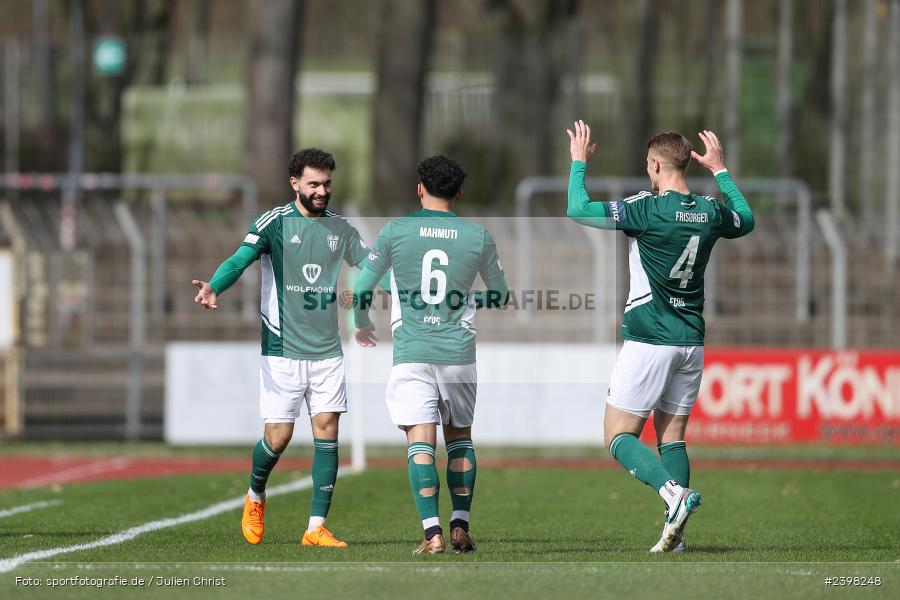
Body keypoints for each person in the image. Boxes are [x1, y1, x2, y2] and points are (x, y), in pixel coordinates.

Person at [565, 122, 754, 552]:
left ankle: (674, 496)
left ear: (654, 164)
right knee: (672, 436)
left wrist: (578, 163)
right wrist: (722, 171)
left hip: (651, 337)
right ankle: (677, 536)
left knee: (617, 435)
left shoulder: (645, 209)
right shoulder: (708, 210)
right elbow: (746, 220)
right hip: (691, 341)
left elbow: (578, 209)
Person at [192, 148, 383, 549]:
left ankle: (315, 527)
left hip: (327, 350)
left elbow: (368, 268)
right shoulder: (274, 223)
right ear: (295, 183)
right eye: (314, 183)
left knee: (328, 430)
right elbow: (240, 258)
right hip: (282, 348)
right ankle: (255, 494)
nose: (322, 191)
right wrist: (214, 285)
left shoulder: (342, 229)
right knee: (278, 437)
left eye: (327, 183)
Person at [351, 155, 509, 554]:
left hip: (412, 352)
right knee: (460, 439)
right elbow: (501, 294)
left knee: (421, 440)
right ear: (459, 192)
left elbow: (362, 285)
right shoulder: (478, 236)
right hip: (458, 352)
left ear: (419, 188)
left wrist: (362, 322)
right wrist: (470, 296)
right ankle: (460, 525)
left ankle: (432, 534)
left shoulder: (395, 231)